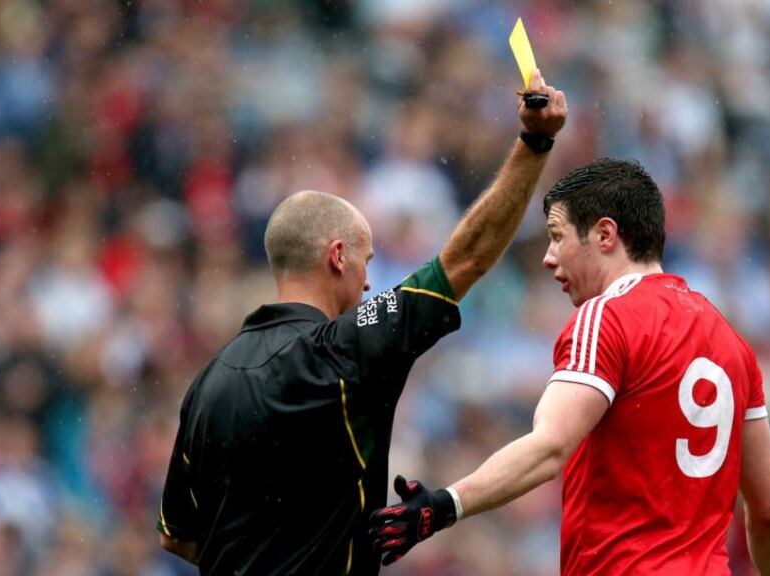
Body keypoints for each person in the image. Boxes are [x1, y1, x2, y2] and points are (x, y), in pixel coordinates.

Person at [155, 69, 567, 575]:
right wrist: (534, 141)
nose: (370, 283)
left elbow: (178, 537)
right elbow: (468, 259)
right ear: (337, 257)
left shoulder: (206, 384)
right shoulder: (345, 347)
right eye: (367, 261)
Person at [369, 159, 770, 575]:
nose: (549, 257)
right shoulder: (732, 343)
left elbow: (550, 447)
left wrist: (444, 505)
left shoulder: (606, 316)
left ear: (604, 235)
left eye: (557, 236)